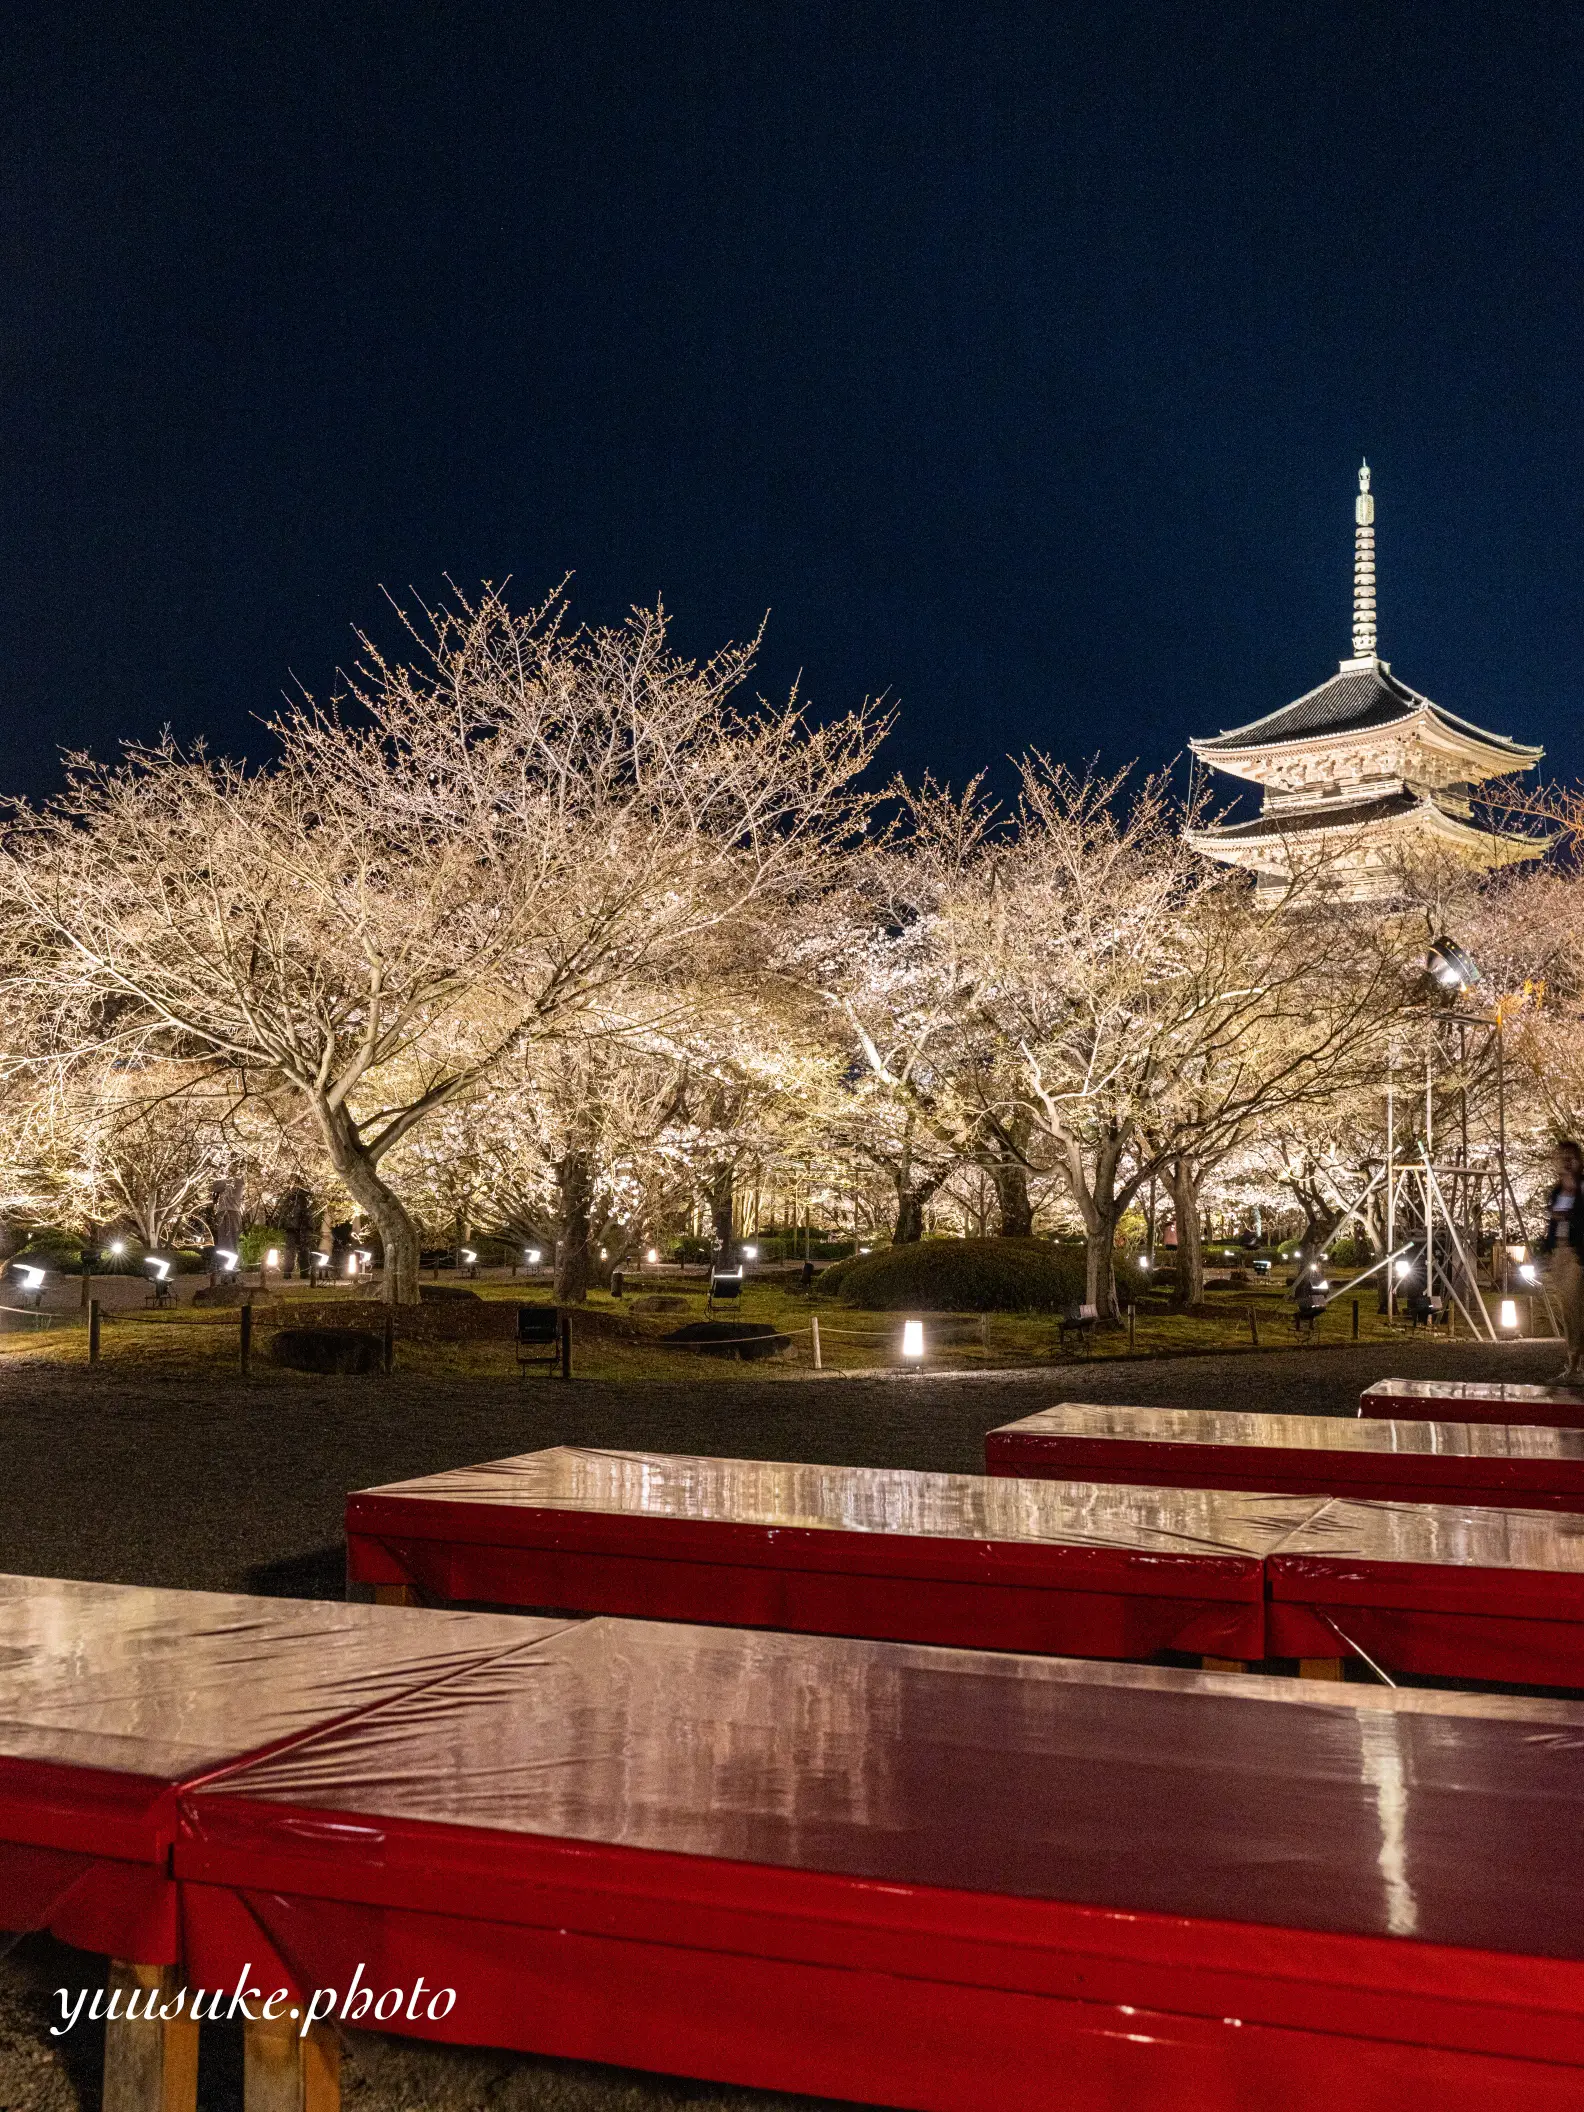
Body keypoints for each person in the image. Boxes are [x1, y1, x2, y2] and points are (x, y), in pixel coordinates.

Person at [1540, 1140, 1584, 1382]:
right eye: (1562, 1156)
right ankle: (1572, 1365)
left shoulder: (1581, 1188)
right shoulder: (1557, 1191)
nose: (1566, 1161)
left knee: (1578, 1309)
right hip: (1560, 1253)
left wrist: (1567, 1216)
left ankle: (1578, 1365)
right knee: (1567, 1311)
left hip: (1577, 1254)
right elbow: (1552, 1225)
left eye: (1571, 1156)